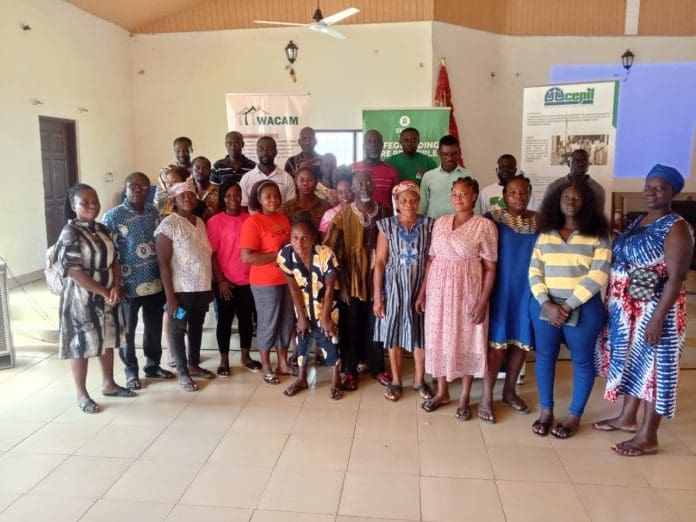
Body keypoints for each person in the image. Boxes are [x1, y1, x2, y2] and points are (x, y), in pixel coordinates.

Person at [594, 164, 694, 456]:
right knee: (634, 364)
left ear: (673, 193)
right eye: (649, 186)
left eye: (659, 188)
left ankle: (648, 436)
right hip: (628, 313)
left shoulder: (677, 227)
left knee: (656, 371)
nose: (651, 192)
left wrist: (658, 319)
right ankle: (627, 418)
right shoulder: (639, 220)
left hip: (656, 313)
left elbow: (676, 278)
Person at [528, 180, 611, 438]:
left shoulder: (598, 235)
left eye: (577, 197)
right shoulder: (546, 233)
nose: (571, 201)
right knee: (545, 358)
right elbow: (534, 271)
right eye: (566, 196)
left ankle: (574, 415)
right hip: (545, 306)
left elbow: (598, 275)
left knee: (582, 361)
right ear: (557, 200)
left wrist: (566, 305)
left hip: (584, 308)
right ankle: (546, 411)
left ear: (587, 202)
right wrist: (546, 303)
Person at [417, 178, 497, 420]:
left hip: (467, 291)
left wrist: (483, 301)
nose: (458, 198)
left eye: (463, 194)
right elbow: (431, 260)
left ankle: (464, 397)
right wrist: (423, 292)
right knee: (439, 336)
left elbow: (490, 267)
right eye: (454, 194)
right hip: (438, 292)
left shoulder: (484, 225)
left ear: (474, 196)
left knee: (467, 338)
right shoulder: (441, 222)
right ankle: (442, 392)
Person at [55, 184, 135, 413]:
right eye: (85, 202)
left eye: (95, 201)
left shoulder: (102, 229)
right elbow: (73, 271)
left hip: (108, 294)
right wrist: (103, 291)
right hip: (81, 299)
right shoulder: (70, 232)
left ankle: (109, 384)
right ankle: (82, 394)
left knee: (107, 339)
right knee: (81, 344)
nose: (92, 206)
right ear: (74, 206)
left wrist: (116, 286)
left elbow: (115, 260)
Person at [102, 172, 174, 390]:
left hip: (154, 281)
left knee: (153, 328)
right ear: (125, 189)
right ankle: (131, 372)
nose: (137, 189)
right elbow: (108, 253)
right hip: (128, 285)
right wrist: (116, 284)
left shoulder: (153, 212)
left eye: (142, 186)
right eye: (132, 186)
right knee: (128, 331)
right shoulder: (113, 216)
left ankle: (152, 366)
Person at [324, 170, 392, 390]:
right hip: (350, 283)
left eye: (368, 182)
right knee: (350, 328)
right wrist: (342, 285)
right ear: (353, 188)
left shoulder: (385, 211)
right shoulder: (343, 215)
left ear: (374, 185)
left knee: (376, 326)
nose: (364, 186)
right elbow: (330, 253)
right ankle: (351, 371)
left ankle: (378, 368)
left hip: (378, 282)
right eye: (360, 183)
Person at [479, 177, 538, 423]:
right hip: (501, 291)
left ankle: (509, 391)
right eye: (513, 193)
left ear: (529, 194)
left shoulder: (541, 221)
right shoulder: (492, 219)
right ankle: (486, 397)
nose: (519, 197)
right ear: (504, 195)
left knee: (521, 344)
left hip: (529, 291)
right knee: (497, 346)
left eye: (523, 192)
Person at [373, 181, 434, 401]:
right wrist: (377, 296)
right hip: (394, 288)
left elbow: (432, 259)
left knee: (421, 332)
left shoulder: (430, 225)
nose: (409, 204)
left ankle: (419, 380)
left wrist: (425, 291)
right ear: (396, 202)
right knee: (394, 332)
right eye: (404, 200)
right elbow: (380, 262)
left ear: (419, 201)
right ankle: (397, 381)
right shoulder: (386, 226)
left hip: (421, 287)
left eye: (413, 199)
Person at [155, 178, 215, 392]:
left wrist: (209, 286)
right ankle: (182, 372)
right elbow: (163, 264)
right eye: (182, 196)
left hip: (201, 287)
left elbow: (205, 254)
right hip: (180, 290)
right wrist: (170, 296)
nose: (188, 199)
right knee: (178, 329)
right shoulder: (168, 225)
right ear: (174, 200)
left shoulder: (199, 222)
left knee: (197, 327)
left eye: (191, 195)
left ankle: (193, 364)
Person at [277, 212, 343, 400]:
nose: (299, 243)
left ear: (313, 238)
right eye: (295, 238)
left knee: (330, 339)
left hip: (327, 306)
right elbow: (293, 289)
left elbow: (330, 288)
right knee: (302, 340)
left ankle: (336, 379)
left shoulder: (325, 254)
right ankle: (301, 378)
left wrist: (326, 317)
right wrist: (301, 317)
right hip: (303, 308)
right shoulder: (286, 255)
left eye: (304, 238)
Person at [240, 180, 296, 384]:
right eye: (268, 196)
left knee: (286, 321)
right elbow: (247, 257)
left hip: (287, 279)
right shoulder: (253, 222)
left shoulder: (283, 218)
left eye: (276, 195)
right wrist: (278, 255)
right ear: (259, 199)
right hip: (265, 282)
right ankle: (266, 365)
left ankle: (282, 363)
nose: (273, 200)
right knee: (268, 322)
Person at [206, 181, 261, 377]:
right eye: (228, 195)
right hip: (225, 282)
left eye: (237, 194)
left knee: (246, 320)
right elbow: (212, 254)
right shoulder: (215, 222)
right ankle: (224, 360)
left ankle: (246, 357)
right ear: (223, 198)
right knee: (225, 321)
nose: (233, 199)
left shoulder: (250, 220)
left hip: (248, 281)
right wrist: (220, 280)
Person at [419, 135, 478, 219]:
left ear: (459, 152)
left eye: (453, 154)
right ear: (438, 152)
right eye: (445, 154)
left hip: (461, 224)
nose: (449, 158)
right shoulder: (428, 176)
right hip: (434, 224)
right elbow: (422, 205)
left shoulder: (468, 175)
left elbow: (475, 204)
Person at [239, 136, 296, 208]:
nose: (265, 152)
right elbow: (243, 207)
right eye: (261, 149)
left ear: (275, 152)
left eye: (269, 148)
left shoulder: (287, 178)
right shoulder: (246, 178)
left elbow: (290, 207)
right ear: (257, 152)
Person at [543, 149, 606, 213]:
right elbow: (545, 212)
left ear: (588, 165)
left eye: (584, 161)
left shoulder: (597, 189)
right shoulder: (554, 187)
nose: (580, 164)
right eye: (576, 161)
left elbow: (599, 215)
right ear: (568, 163)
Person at [352, 130, 399, 212]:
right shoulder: (353, 168)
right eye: (369, 141)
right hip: (357, 217)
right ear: (363, 146)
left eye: (376, 141)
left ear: (382, 146)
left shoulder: (391, 172)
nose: (373, 144)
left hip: (384, 217)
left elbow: (396, 200)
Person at [282, 166, 332, 231]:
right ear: (296, 182)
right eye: (302, 180)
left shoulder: (326, 207)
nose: (305, 183)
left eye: (310, 180)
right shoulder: (286, 208)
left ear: (316, 182)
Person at [154, 137, 194, 209]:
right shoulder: (166, 172)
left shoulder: (197, 171)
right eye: (178, 151)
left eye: (185, 150)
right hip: (169, 209)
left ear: (191, 150)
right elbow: (159, 198)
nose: (181, 154)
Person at [319, 170, 354, 235]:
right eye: (340, 192)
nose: (344, 195)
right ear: (337, 194)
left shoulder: (359, 211)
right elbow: (324, 238)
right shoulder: (329, 214)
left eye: (348, 191)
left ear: (353, 191)